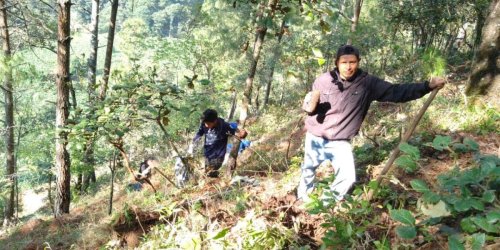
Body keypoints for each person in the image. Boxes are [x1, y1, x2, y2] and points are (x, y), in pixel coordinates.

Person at [298, 45, 445, 202]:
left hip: (340, 141)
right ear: (336, 63)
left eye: (353, 62)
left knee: (347, 177)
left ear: (359, 62)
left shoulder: (368, 83)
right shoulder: (323, 81)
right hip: (316, 136)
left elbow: (396, 91)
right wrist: (309, 106)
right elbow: (312, 107)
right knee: (308, 169)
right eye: (344, 62)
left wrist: (427, 86)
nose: (348, 67)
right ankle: (303, 198)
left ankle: (325, 205)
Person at [188, 109, 247, 178]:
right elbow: (200, 133)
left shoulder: (224, 126)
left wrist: (243, 134)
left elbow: (238, 133)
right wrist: (194, 141)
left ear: (215, 121)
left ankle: (217, 181)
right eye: (205, 123)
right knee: (209, 172)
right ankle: (216, 180)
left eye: (208, 124)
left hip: (218, 156)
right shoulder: (204, 123)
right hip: (207, 153)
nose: (206, 125)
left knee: (210, 173)